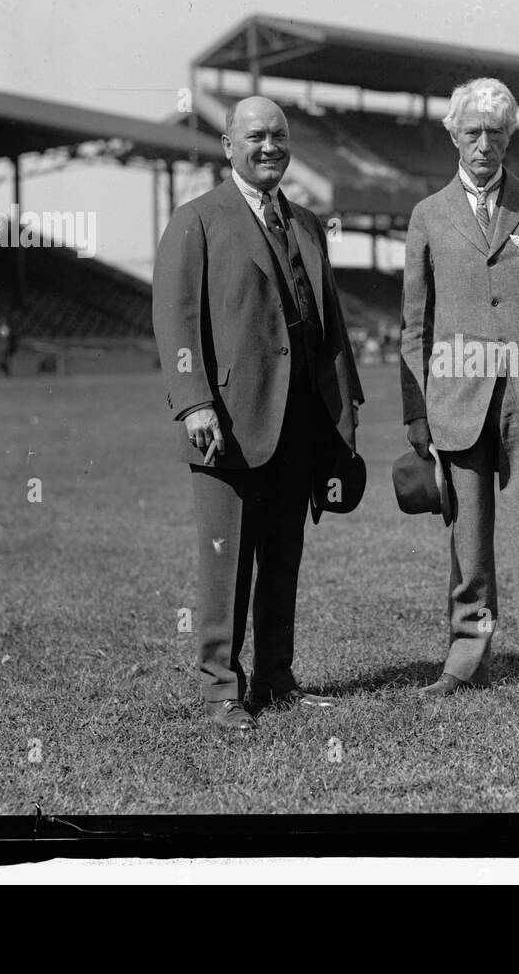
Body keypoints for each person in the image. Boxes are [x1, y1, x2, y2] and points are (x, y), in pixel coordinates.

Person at [152, 96, 363, 731]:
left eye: (278, 135)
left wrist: (342, 418)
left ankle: (276, 678)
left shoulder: (305, 222)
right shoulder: (196, 219)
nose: (268, 146)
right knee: (226, 558)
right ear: (227, 144)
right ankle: (221, 689)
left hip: (299, 422)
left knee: (283, 556)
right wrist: (193, 402)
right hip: (228, 424)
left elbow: (331, 329)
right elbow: (175, 320)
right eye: (254, 137)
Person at [400, 77, 519, 706]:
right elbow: (414, 328)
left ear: (510, 136)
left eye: (497, 132)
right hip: (455, 405)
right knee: (469, 547)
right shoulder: (427, 215)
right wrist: (418, 421)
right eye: (473, 131)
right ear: (453, 134)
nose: (485, 144)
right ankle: (466, 660)